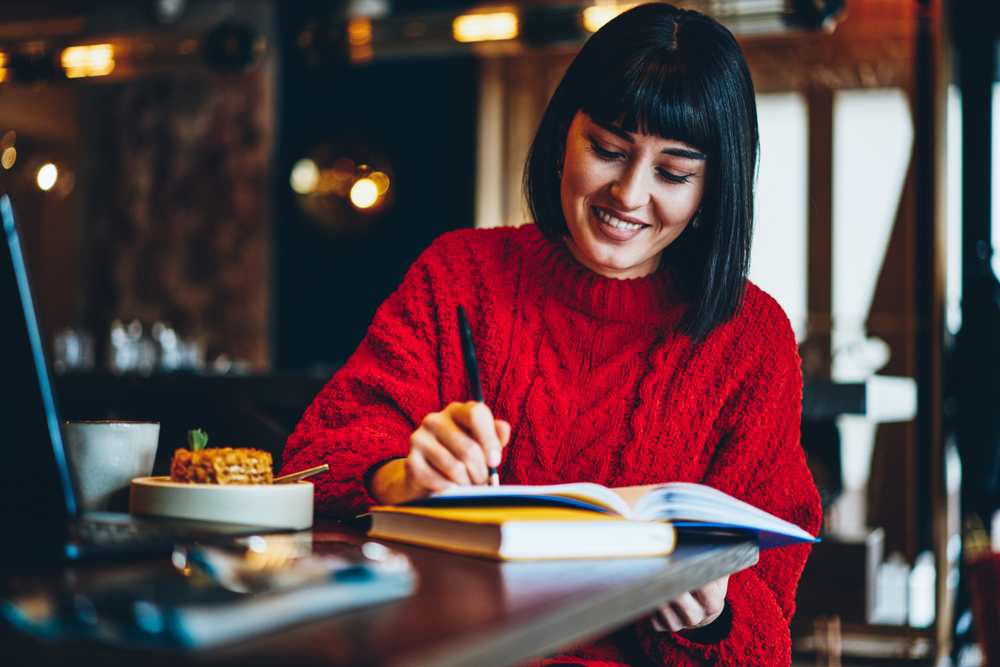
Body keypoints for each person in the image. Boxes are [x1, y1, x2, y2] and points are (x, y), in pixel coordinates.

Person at [282, 3, 821, 665]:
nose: (627, 193)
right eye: (608, 149)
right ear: (564, 132)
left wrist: (712, 616)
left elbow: (767, 634)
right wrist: (401, 477)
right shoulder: (460, 274)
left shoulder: (749, 339)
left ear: (713, 190)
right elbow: (315, 456)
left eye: (673, 173)